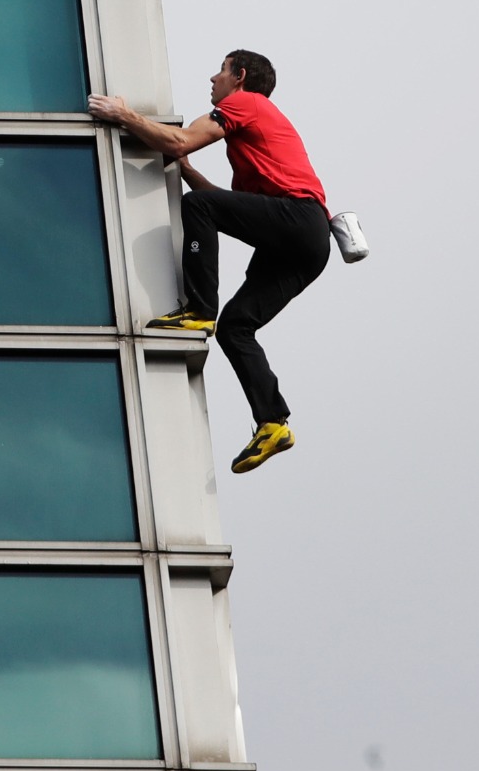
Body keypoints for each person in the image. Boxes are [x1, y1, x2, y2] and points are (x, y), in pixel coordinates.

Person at [87, 49, 330, 474]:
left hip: (299, 220)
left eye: (220, 70)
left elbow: (182, 144)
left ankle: (199, 309)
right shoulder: (253, 139)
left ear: (238, 76)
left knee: (198, 206)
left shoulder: (245, 102)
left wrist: (124, 115)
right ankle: (272, 423)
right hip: (306, 244)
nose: (212, 78)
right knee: (236, 328)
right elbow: (219, 196)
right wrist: (182, 166)